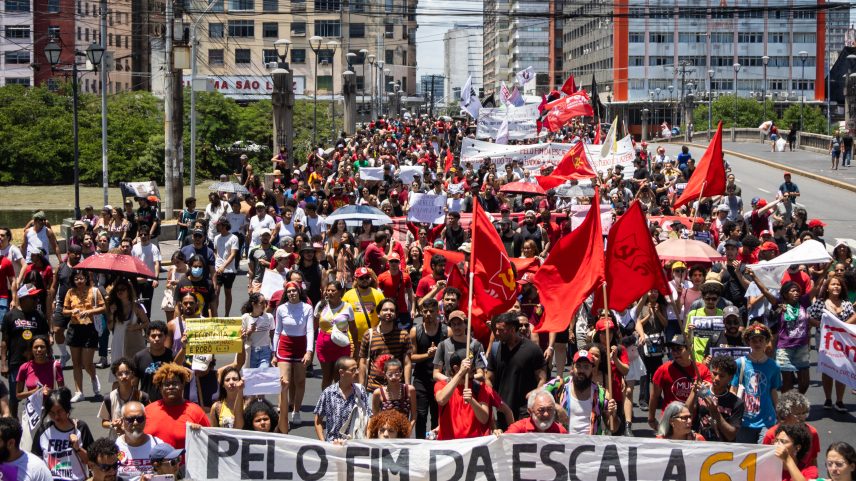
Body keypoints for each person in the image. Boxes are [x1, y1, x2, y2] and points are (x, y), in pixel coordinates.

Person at [487, 312, 546, 427]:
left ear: (513, 329)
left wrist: (534, 397)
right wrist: (495, 399)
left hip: (525, 411)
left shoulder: (533, 350)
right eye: (496, 330)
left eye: (501, 330)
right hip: (502, 410)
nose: (497, 333)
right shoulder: (495, 350)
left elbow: (542, 378)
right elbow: (488, 378)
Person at [2, 284, 50, 415]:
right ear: (22, 298)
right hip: (16, 363)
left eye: (36, 297)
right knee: (15, 396)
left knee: (39, 393)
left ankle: (38, 419)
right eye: (33, 297)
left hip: (36, 363)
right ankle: (14, 422)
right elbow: (4, 342)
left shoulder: (39, 315)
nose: (36, 300)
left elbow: (45, 338)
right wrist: (3, 363)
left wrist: (49, 359)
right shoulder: (10, 316)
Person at [808, 274, 855, 411]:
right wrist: (825, 326)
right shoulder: (820, 303)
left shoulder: (846, 304)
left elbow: (854, 317)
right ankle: (828, 399)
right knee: (828, 369)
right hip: (825, 341)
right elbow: (810, 319)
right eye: (833, 284)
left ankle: (839, 401)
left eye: (838, 285)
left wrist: (840, 327)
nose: (836, 287)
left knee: (842, 368)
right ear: (827, 288)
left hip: (842, 343)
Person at [731, 323, 782, 443]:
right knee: (745, 456)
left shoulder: (774, 366)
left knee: (764, 454)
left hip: (767, 419)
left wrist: (779, 413)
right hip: (744, 420)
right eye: (754, 340)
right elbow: (733, 389)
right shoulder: (739, 363)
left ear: (766, 342)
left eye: (761, 340)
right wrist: (733, 415)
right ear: (748, 342)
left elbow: (773, 391)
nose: (758, 343)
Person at [647, 334, 712, 428]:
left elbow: (709, 395)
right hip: (670, 420)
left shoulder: (702, 370)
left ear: (689, 349)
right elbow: (654, 397)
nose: (675, 353)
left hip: (694, 421)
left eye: (679, 349)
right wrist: (651, 419)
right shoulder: (663, 370)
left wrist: (707, 387)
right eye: (673, 349)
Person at [31, 387, 96, 481]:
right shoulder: (43, 431)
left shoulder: (81, 428)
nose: (56, 416)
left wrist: (78, 449)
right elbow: (36, 462)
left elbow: (92, 462)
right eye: (52, 413)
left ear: (67, 408)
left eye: (59, 411)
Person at [273, 281, 315, 424]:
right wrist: (274, 353)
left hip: (301, 346)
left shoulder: (308, 308)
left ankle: (296, 411)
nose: (292, 293)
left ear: (299, 292)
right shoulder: (281, 309)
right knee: (284, 382)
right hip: (284, 346)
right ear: (286, 293)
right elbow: (277, 331)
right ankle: (283, 412)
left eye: (294, 291)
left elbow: (310, 331)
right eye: (289, 291)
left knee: (300, 381)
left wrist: (309, 352)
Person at [143, 363, 210, 450]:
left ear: (183, 385)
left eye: (175, 383)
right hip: (154, 463)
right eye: (166, 384)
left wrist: (199, 432)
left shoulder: (196, 411)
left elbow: (209, 441)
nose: (170, 387)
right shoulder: (148, 410)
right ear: (160, 388)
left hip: (185, 463)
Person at [62, 269, 104, 402]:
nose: (79, 281)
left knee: (86, 362)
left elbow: (103, 308)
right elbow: (64, 311)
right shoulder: (70, 292)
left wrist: (90, 311)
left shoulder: (95, 291)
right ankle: (79, 391)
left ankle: (93, 376)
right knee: (76, 363)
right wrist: (72, 311)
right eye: (76, 279)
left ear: (86, 278)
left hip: (90, 328)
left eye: (81, 278)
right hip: (75, 328)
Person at [553, 349, 619, 434]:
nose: (582, 371)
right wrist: (555, 406)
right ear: (573, 367)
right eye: (578, 366)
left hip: (591, 444)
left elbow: (613, 428)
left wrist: (613, 415)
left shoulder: (601, 394)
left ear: (592, 369)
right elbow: (535, 397)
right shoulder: (560, 386)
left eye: (586, 367)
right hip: (565, 444)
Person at [434, 350, 496, 440]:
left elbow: (484, 419)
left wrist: (472, 401)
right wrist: (461, 372)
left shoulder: (480, 387)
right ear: (456, 368)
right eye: (469, 365)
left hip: (472, 445)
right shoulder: (441, 385)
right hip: (449, 444)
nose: (473, 368)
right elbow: (441, 400)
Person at [409, 298, 447, 439]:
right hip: (421, 378)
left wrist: (439, 354)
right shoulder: (415, 331)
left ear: (438, 312)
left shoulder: (445, 331)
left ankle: (435, 443)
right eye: (425, 311)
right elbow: (411, 357)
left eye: (432, 311)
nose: (428, 314)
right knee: (421, 414)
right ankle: (420, 443)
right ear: (421, 313)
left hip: (439, 380)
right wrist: (428, 354)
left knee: (437, 415)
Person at [313, 356, 373, 442]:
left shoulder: (360, 391)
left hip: (354, 445)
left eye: (357, 369)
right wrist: (323, 443)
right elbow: (318, 421)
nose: (357, 372)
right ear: (342, 372)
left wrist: (367, 438)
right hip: (333, 445)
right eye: (353, 370)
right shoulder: (329, 393)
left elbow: (369, 416)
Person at [358, 298, 411, 393]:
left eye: (392, 310)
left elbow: (407, 363)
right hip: (373, 389)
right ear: (378, 313)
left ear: (396, 314)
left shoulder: (403, 335)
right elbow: (362, 363)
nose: (388, 312)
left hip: (396, 388)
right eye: (385, 310)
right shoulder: (369, 335)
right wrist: (361, 388)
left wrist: (407, 388)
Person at [686, 354, 743, 442]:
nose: (716, 378)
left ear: (730, 378)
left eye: (722, 376)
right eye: (714, 373)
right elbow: (686, 414)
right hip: (699, 445)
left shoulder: (736, 403)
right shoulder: (702, 393)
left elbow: (731, 435)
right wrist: (693, 392)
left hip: (721, 450)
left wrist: (715, 411)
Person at [314, 282, 356, 389]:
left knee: (339, 377)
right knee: (327, 377)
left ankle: (339, 402)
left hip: (341, 346)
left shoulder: (347, 307)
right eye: (328, 290)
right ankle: (326, 402)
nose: (330, 292)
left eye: (333, 290)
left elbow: (353, 328)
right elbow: (314, 325)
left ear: (340, 292)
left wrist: (356, 346)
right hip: (324, 346)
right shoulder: (321, 305)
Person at [762, 391, 820, 468]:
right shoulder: (771, 434)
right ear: (785, 414)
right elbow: (765, 461)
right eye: (797, 414)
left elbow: (813, 459)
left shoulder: (812, 432)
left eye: (804, 413)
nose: (802, 417)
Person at [773, 281, 812, 394]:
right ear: (785, 294)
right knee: (787, 383)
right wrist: (754, 277)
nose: (796, 293)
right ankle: (787, 408)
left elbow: (817, 287)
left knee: (804, 383)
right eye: (793, 291)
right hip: (785, 348)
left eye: (798, 291)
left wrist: (826, 269)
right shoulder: (780, 305)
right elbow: (766, 292)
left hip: (802, 347)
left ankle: (797, 402)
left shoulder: (803, 302)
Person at [105, 278, 147, 377]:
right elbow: (110, 327)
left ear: (128, 290)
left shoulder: (137, 307)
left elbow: (147, 323)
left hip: (133, 342)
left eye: (123, 289)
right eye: (117, 290)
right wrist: (111, 314)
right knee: (117, 373)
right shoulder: (113, 307)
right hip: (118, 341)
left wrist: (136, 327)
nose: (120, 292)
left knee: (134, 372)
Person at [98, 358, 149, 440]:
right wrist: (113, 424)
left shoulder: (142, 397)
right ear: (115, 376)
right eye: (120, 374)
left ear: (132, 374)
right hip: (116, 442)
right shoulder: (109, 398)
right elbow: (104, 422)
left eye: (127, 373)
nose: (124, 376)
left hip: (137, 441)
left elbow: (150, 419)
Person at [115, 401, 162, 481]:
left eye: (140, 419)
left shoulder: (158, 445)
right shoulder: (114, 447)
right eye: (130, 419)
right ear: (122, 421)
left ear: (145, 419)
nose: (135, 423)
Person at [370, 358, 416, 430]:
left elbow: (414, 415)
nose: (393, 377)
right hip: (385, 433)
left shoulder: (410, 390)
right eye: (390, 374)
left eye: (397, 374)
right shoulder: (378, 393)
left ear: (401, 373)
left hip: (404, 433)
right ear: (384, 374)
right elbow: (375, 417)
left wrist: (408, 430)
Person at [133, 321, 174, 402]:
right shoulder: (139, 357)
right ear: (147, 337)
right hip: (146, 404)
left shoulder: (172, 356)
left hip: (168, 404)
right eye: (153, 336)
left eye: (160, 335)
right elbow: (134, 385)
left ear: (165, 336)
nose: (157, 339)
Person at [343, 267, 385, 344]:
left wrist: (378, 331)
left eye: (367, 277)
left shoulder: (378, 294)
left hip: (373, 338)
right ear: (356, 279)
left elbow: (383, 315)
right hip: (353, 339)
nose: (365, 280)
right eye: (361, 278)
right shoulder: (348, 295)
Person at [15, 335, 63, 402]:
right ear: (31, 350)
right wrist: (35, 391)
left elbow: (63, 393)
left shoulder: (55, 366)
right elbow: (18, 395)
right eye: (36, 347)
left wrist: (51, 392)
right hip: (32, 410)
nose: (39, 349)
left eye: (42, 347)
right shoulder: (24, 368)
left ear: (47, 349)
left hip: (50, 409)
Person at [376, 253, 416, 329]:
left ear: (399, 262)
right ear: (388, 262)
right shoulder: (381, 277)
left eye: (396, 261)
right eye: (391, 261)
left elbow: (411, 294)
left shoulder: (406, 276)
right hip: (388, 311)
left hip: (402, 310)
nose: (394, 263)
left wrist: (413, 309)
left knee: (404, 335)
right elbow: (378, 295)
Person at [129, 226, 160, 316]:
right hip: (137, 280)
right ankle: (137, 320)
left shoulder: (154, 248)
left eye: (145, 234)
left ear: (149, 236)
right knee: (135, 301)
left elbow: (156, 264)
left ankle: (147, 321)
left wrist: (155, 278)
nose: (143, 236)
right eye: (141, 234)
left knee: (147, 303)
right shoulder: (134, 248)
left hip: (149, 281)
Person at [212, 218, 239, 316]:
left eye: (218, 225)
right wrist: (217, 263)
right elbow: (216, 251)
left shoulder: (233, 238)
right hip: (217, 269)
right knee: (216, 292)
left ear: (224, 226)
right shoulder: (216, 238)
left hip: (229, 270)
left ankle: (226, 314)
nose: (217, 227)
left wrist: (223, 266)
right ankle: (215, 314)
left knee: (227, 292)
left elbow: (233, 254)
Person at [241, 293, 274, 369]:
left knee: (262, 375)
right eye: (261, 303)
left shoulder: (269, 317)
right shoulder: (245, 318)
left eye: (265, 302)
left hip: (265, 351)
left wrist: (274, 352)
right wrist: (249, 332)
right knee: (251, 377)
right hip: (250, 351)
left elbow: (272, 335)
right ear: (253, 304)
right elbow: (241, 339)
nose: (264, 305)